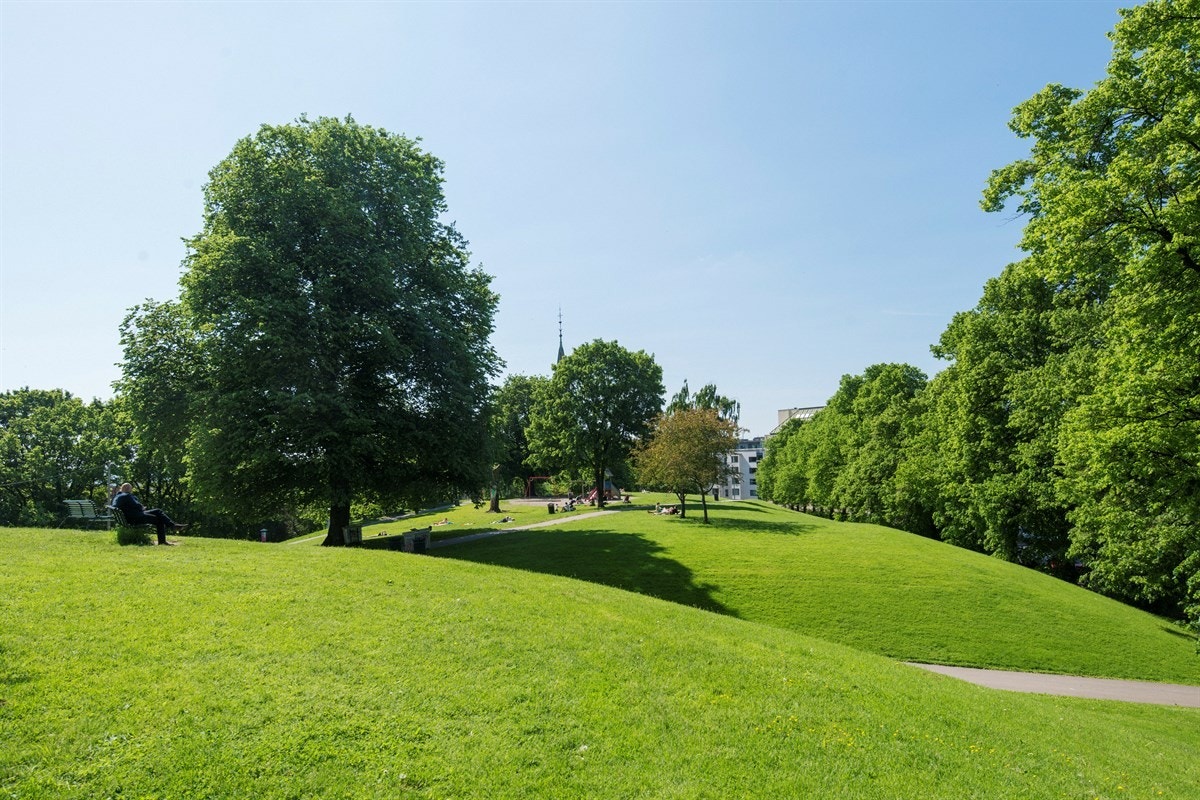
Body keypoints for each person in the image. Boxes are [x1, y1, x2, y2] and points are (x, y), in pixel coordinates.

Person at [111, 483, 188, 545]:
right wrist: (142, 507)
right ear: (128, 489)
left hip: (131, 516)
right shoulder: (126, 495)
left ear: (122, 488)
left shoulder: (117, 496)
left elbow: (131, 506)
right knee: (159, 519)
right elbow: (137, 505)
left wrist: (140, 508)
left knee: (157, 511)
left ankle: (172, 525)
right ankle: (163, 540)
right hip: (135, 518)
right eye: (130, 489)